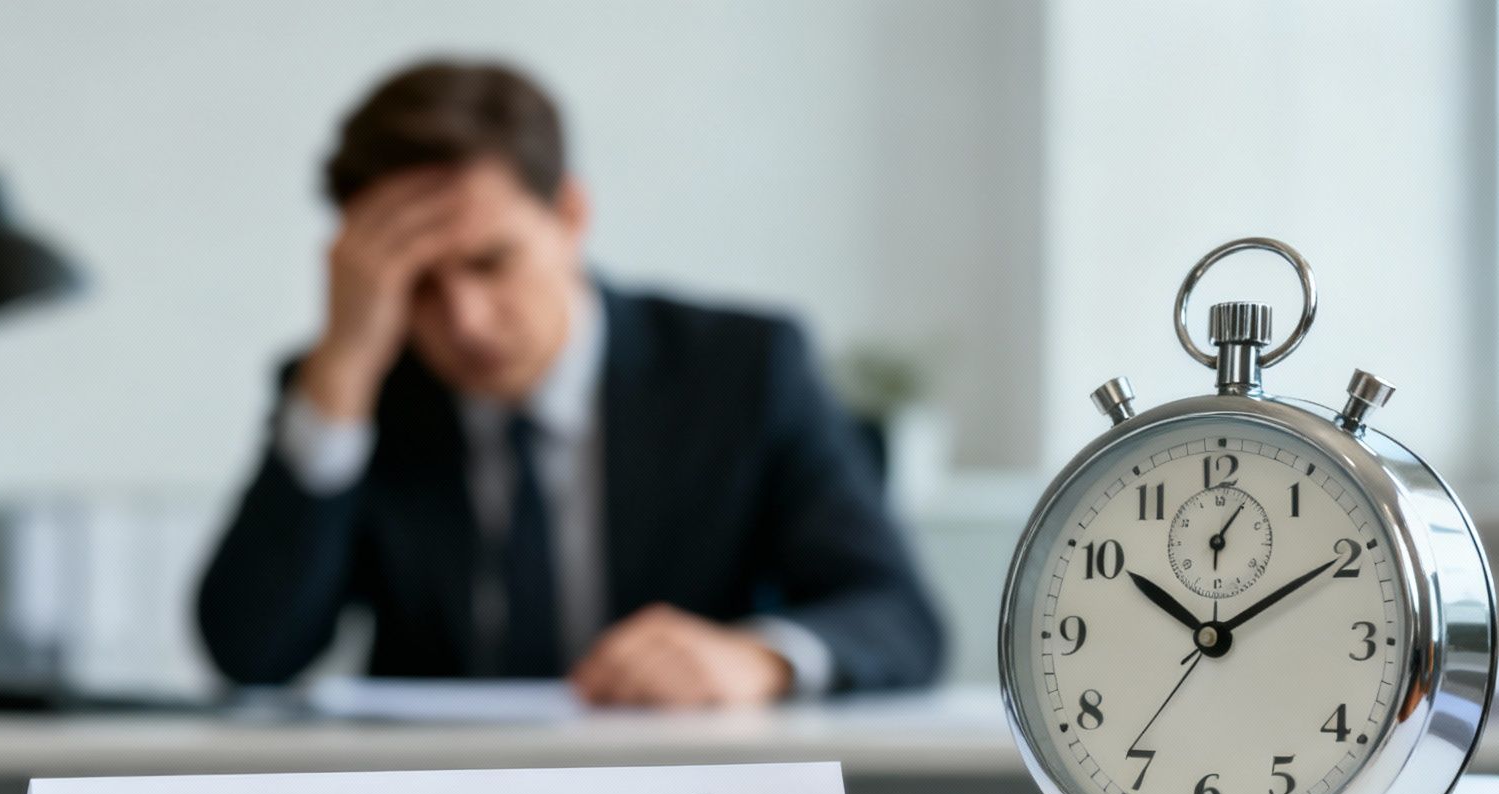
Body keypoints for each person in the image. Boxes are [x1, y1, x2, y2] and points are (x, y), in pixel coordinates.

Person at [197, 59, 944, 707]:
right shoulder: (355, 390)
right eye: (418, 284)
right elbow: (250, 653)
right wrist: (343, 374)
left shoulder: (743, 368)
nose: (466, 321)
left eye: (491, 262)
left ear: (571, 216)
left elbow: (899, 616)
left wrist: (758, 660)